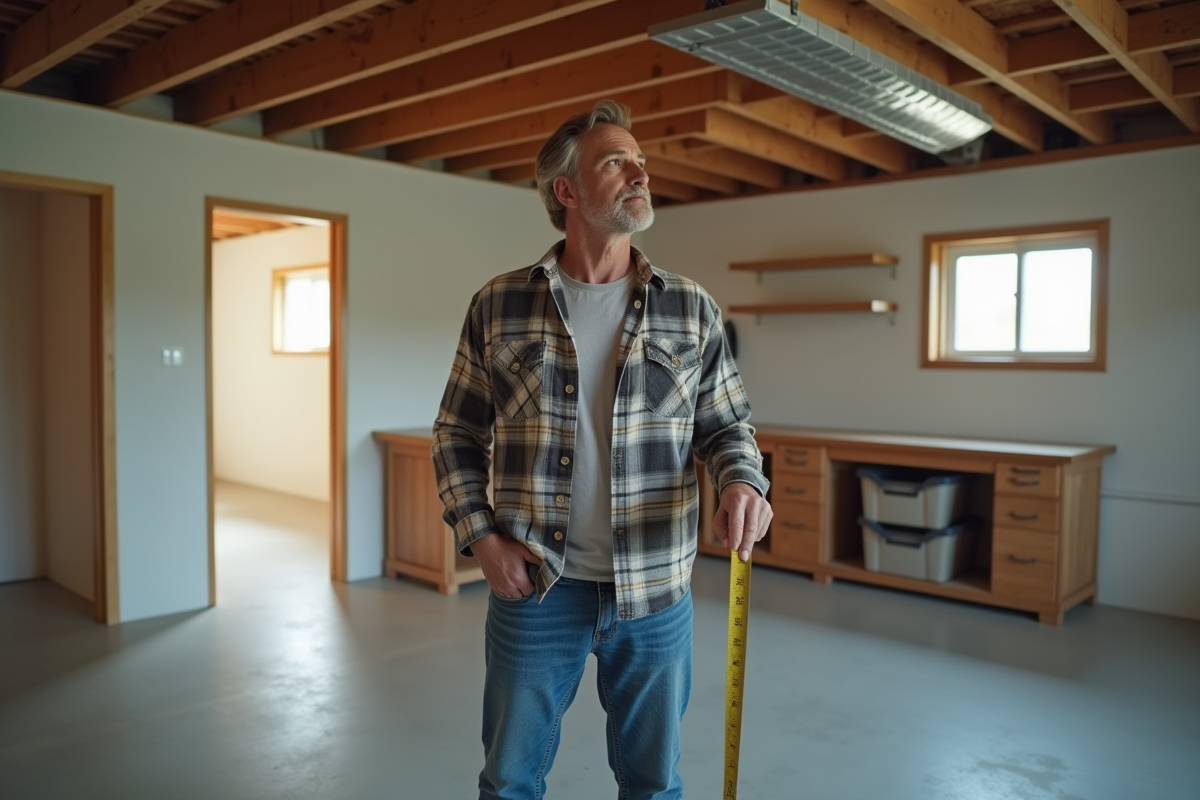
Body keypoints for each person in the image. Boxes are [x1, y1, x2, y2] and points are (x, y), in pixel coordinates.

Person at [431, 99, 772, 800]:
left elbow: (729, 427)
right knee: (510, 780)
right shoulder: (499, 305)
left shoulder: (691, 307)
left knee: (653, 784)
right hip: (535, 588)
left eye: (640, 159)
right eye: (617, 160)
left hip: (654, 593)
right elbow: (457, 433)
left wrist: (743, 484)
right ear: (567, 191)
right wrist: (482, 540)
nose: (640, 171)